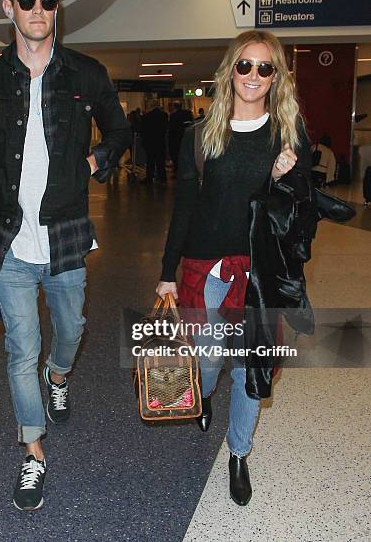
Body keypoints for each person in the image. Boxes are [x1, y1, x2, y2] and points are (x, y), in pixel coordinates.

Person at [0, 0, 130, 511]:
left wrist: (95, 159)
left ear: (58, 7)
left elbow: (120, 128)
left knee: (70, 330)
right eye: (27, 1)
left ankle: (60, 375)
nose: (39, 11)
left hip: (65, 235)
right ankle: (32, 451)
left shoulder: (85, 72)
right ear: (8, 7)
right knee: (19, 351)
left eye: (49, 0)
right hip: (10, 238)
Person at [156, 30, 312, 506]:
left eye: (265, 68)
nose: (253, 76)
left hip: (259, 269)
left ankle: (239, 453)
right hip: (204, 264)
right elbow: (183, 208)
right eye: (245, 65)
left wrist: (289, 177)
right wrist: (167, 270)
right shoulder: (199, 136)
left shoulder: (288, 136)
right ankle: (201, 397)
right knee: (206, 358)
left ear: (276, 76)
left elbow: (302, 214)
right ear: (230, 70)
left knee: (249, 366)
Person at [140, 102, 168, 183]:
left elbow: (143, 131)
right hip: (160, 142)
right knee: (160, 161)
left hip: (150, 142)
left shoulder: (146, 117)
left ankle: (149, 178)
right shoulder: (164, 115)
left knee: (150, 161)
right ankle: (162, 177)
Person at [168, 102, 193, 173]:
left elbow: (171, 129)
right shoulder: (188, 113)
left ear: (174, 107)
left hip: (176, 139)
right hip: (186, 137)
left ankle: (177, 171)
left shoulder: (173, 115)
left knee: (177, 156)